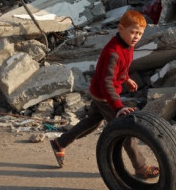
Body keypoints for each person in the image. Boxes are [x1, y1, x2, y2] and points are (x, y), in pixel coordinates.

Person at [50, 10, 160, 179]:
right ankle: (140, 167)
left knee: (91, 123)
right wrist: (118, 107)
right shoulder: (113, 52)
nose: (136, 37)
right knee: (125, 130)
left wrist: (126, 79)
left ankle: (60, 143)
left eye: (139, 33)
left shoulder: (127, 45)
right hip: (105, 95)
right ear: (120, 28)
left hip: (100, 92)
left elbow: (120, 69)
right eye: (133, 32)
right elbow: (107, 81)